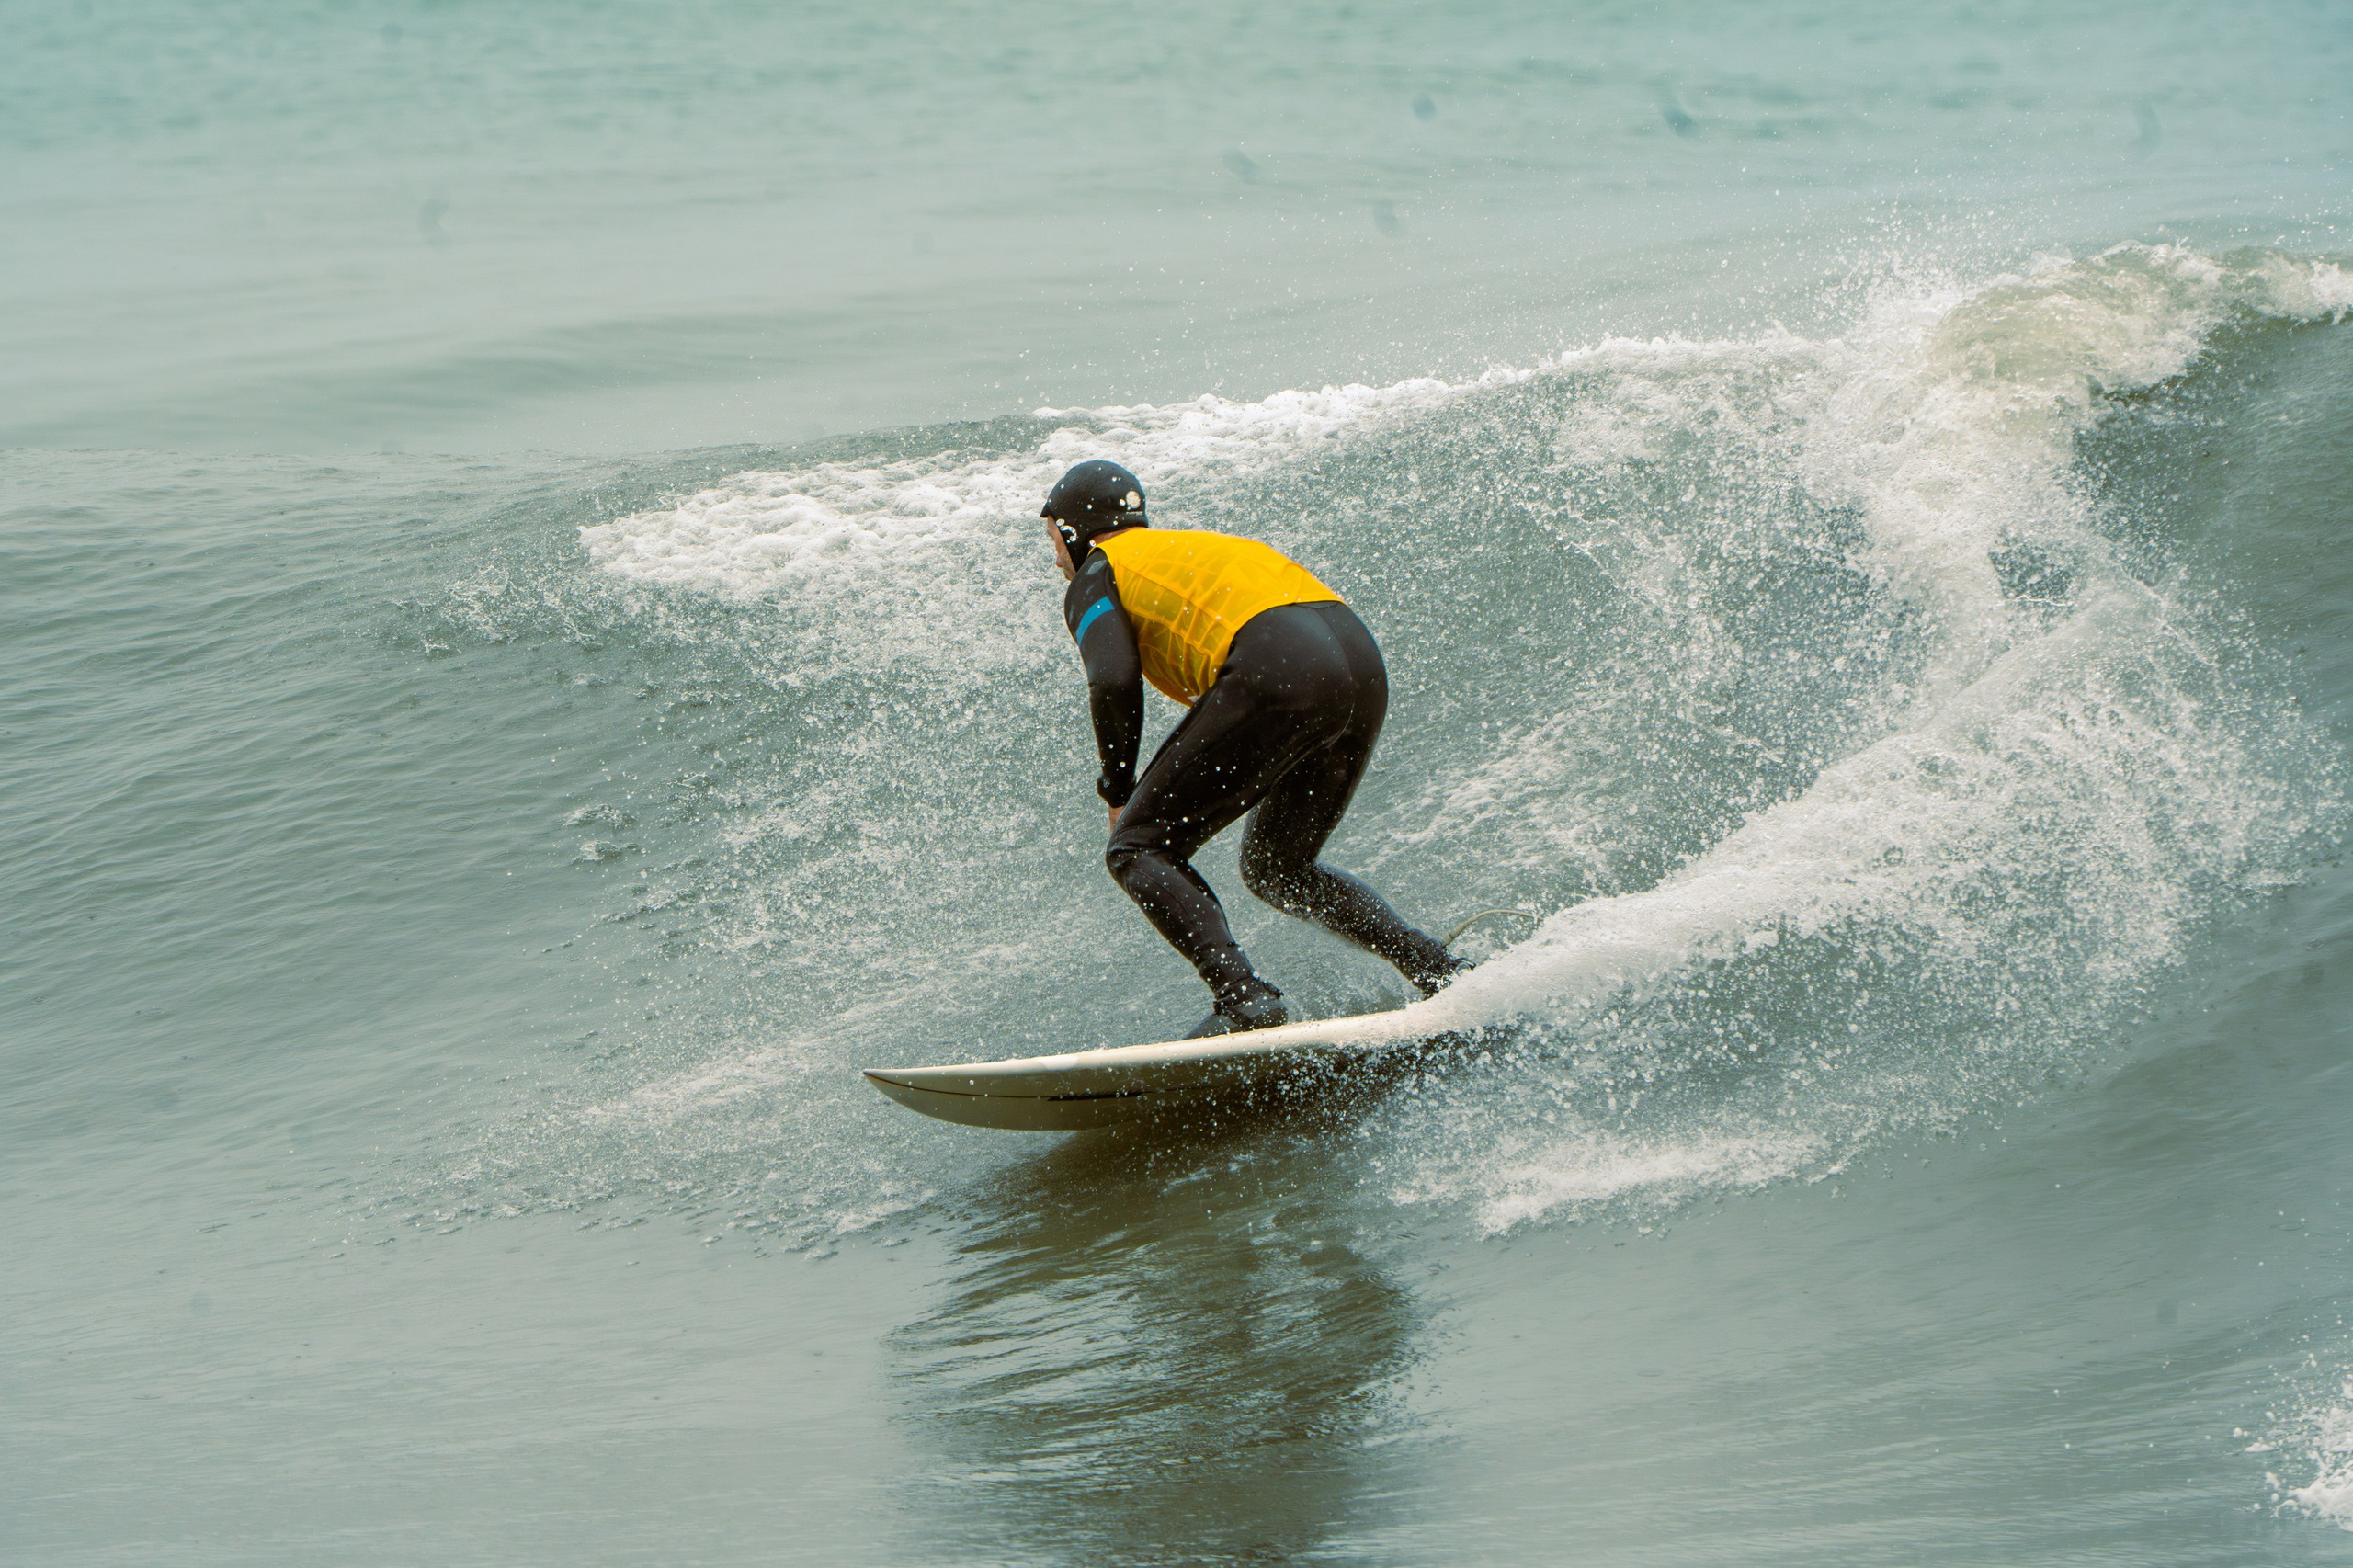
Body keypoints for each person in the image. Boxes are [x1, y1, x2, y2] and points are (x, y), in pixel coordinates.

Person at [1044, 458, 1464, 1038]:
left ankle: (1243, 998)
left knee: (1137, 847)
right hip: (1360, 666)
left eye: (1052, 540)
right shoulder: (1199, 548)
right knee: (1278, 868)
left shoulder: (1100, 570)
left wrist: (1118, 790)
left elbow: (1113, 679)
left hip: (1281, 665)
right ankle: (1437, 968)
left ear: (1071, 530)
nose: (1054, 560)